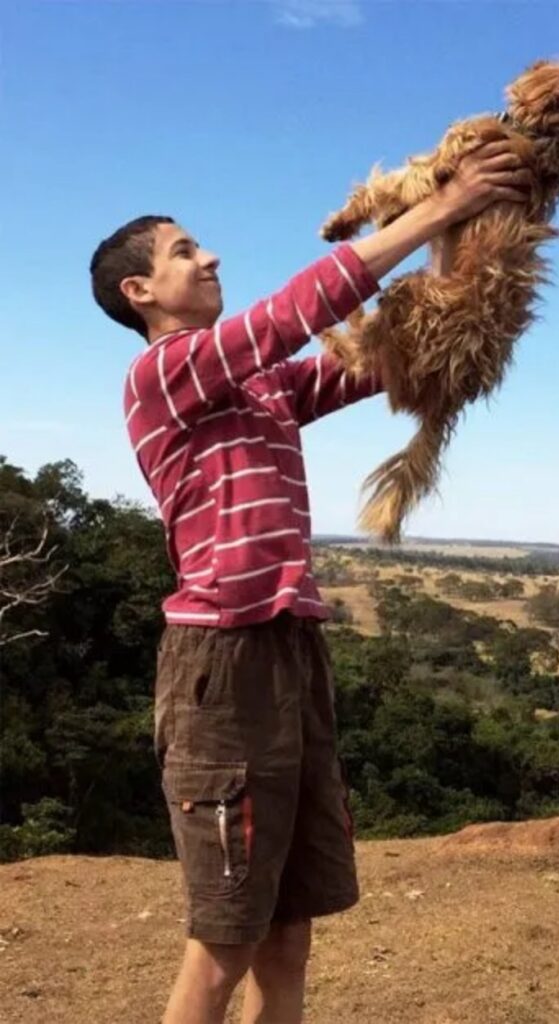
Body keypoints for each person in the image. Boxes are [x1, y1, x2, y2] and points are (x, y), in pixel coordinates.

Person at [89, 141, 529, 1024]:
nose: (209, 256)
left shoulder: (259, 393)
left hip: (293, 651)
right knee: (225, 944)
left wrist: (466, 246)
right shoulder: (163, 377)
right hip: (222, 663)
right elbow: (296, 312)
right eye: (184, 251)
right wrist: (435, 211)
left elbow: (372, 359)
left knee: (289, 933)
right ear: (138, 292)